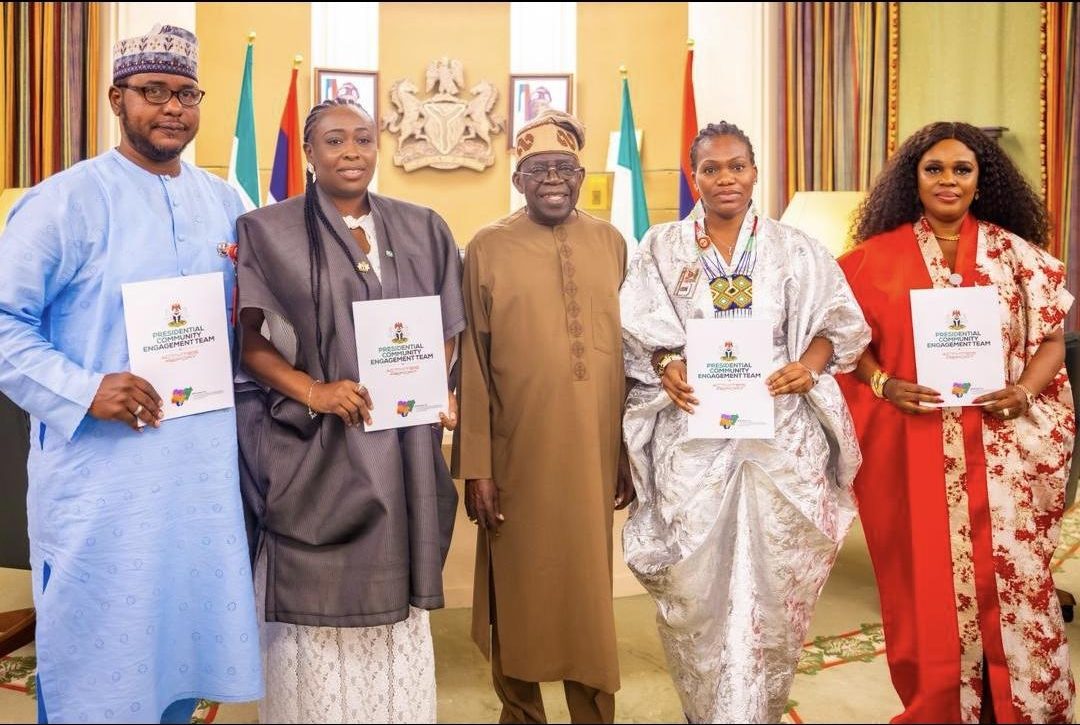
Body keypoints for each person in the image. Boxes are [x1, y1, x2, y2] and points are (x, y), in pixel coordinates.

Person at [0, 24, 262, 724]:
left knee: (179, 650)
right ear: (118, 99)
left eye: (186, 93)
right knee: (96, 660)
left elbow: (254, 319)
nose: (172, 107)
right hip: (103, 480)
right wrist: (85, 389)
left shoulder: (226, 203)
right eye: (154, 91)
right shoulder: (63, 202)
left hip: (200, 479)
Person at [619, 121, 870, 723]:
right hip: (693, 436)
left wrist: (809, 368)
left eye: (737, 166)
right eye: (711, 168)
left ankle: (758, 707)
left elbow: (837, 326)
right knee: (694, 585)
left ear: (755, 173)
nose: (725, 178)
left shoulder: (795, 247)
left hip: (779, 438)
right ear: (694, 176)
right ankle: (706, 709)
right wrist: (667, 362)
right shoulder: (660, 246)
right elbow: (639, 330)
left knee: (775, 584)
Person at [836, 121, 1075, 723]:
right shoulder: (871, 261)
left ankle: (1024, 708)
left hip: (1002, 453)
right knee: (925, 588)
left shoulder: (1015, 256)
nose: (948, 180)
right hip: (914, 451)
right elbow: (844, 345)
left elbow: (1052, 338)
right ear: (912, 180)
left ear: (980, 180)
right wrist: (884, 384)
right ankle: (940, 705)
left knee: (1018, 584)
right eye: (934, 169)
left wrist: (1024, 391)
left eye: (961, 169)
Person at [234, 96, 463, 723]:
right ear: (309, 152)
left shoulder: (423, 226)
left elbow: (446, 326)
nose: (351, 152)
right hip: (317, 447)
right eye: (334, 141)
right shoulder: (267, 229)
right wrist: (315, 391)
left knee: (396, 602)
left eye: (363, 138)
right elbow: (250, 342)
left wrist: (434, 384)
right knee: (318, 605)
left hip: (402, 445)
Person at [453, 109, 634, 723]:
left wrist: (625, 452)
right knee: (520, 594)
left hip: (593, 457)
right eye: (537, 169)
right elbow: (473, 364)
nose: (552, 178)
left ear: (582, 176)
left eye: (564, 167)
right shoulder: (486, 247)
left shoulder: (611, 243)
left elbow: (628, 356)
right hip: (517, 460)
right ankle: (522, 714)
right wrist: (478, 466)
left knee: (588, 596)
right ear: (518, 180)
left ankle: (593, 715)